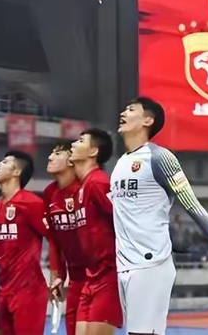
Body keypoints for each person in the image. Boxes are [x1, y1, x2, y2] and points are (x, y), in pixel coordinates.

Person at [112, 96, 208, 335]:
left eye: (131, 109)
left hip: (150, 264)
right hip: (123, 264)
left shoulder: (160, 158)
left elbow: (192, 205)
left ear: (148, 120)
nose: (123, 113)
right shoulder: (121, 163)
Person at [0, 151, 50, 335]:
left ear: (16, 172)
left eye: (5, 162)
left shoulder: (32, 203)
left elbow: (54, 237)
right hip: (4, 289)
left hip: (27, 291)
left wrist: (58, 273)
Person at [70, 129, 123, 335]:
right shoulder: (81, 188)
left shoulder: (99, 182)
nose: (73, 144)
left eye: (80, 141)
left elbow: (123, 219)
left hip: (108, 278)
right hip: (90, 278)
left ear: (93, 151)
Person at [44, 140, 85, 335]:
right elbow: (54, 239)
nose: (50, 157)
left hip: (97, 277)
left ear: (71, 160)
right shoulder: (50, 193)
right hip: (75, 279)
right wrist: (57, 276)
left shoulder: (85, 187)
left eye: (57, 153)